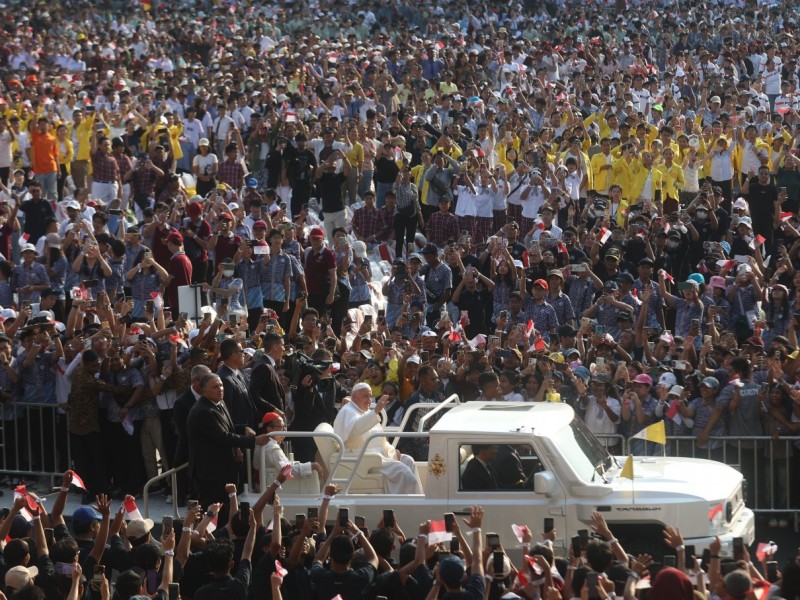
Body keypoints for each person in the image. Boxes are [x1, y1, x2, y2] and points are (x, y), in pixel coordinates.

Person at [186, 373, 269, 522]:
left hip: (224, 469)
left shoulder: (219, 403)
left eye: (221, 385)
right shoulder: (203, 411)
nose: (220, 389)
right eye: (215, 387)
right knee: (213, 514)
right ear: (204, 391)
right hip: (210, 473)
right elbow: (222, 437)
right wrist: (254, 441)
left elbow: (227, 427)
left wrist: (242, 428)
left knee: (225, 511)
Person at [332, 382, 422, 494]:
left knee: (408, 461)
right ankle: (400, 507)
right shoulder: (347, 411)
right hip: (364, 459)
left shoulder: (365, 411)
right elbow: (355, 429)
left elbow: (379, 438)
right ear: (354, 397)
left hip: (378, 456)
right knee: (405, 474)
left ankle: (416, 502)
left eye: (370, 396)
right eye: (365, 396)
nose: (369, 400)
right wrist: (376, 411)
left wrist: (393, 451)